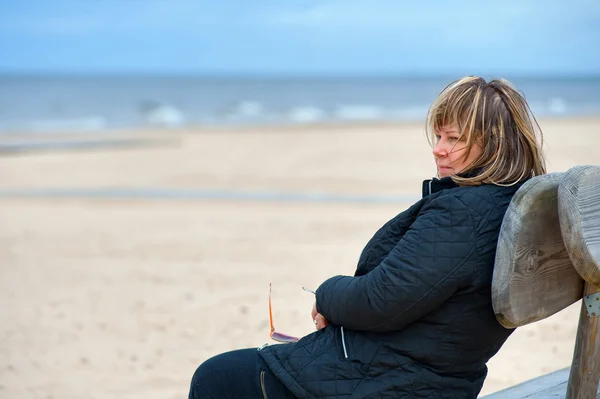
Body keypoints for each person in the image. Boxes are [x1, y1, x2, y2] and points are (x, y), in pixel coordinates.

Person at [188, 76, 547, 399]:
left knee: (217, 377)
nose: (438, 148)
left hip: (397, 380)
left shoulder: (463, 214)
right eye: (438, 135)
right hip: (434, 371)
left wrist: (326, 296)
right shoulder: (507, 201)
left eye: (454, 139)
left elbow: (379, 301)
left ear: (496, 145)